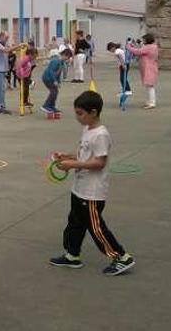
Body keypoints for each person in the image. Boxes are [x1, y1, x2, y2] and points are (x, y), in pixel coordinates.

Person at [49, 91, 136, 276]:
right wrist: (67, 156)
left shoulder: (101, 134)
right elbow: (84, 155)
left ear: (94, 112)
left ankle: (121, 257)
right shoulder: (87, 129)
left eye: (80, 113)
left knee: (96, 228)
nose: (77, 117)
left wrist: (73, 164)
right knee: (74, 223)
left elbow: (99, 162)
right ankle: (72, 254)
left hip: (92, 192)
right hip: (80, 189)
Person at [126, 34, 160, 110]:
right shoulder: (153, 46)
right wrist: (135, 45)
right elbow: (141, 48)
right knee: (149, 86)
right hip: (150, 67)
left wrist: (128, 47)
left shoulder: (149, 47)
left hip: (149, 68)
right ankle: (150, 101)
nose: (142, 41)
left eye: (144, 39)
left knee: (150, 86)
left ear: (147, 40)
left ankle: (152, 102)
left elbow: (138, 51)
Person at [41, 48, 73, 114]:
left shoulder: (61, 62)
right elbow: (51, 71)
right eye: (67, 57)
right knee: (53, 91)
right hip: (47, 78)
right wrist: (54, 81)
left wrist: (58, 82)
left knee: (55, 91)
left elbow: (58, 73)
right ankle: (46, 105)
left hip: (52, 78)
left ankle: (52, 106)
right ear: (64, 55)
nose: (67, 59)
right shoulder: (56, 61)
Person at [0, 31, 15, 114]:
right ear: (1, 36)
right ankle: (2, 107)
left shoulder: (3, 44)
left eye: (8, 38)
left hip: (2, 69)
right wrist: (17, 47)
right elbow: (6, 50)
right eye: (6, 38)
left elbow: (9, 50)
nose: (7, 40)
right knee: (1, 89)